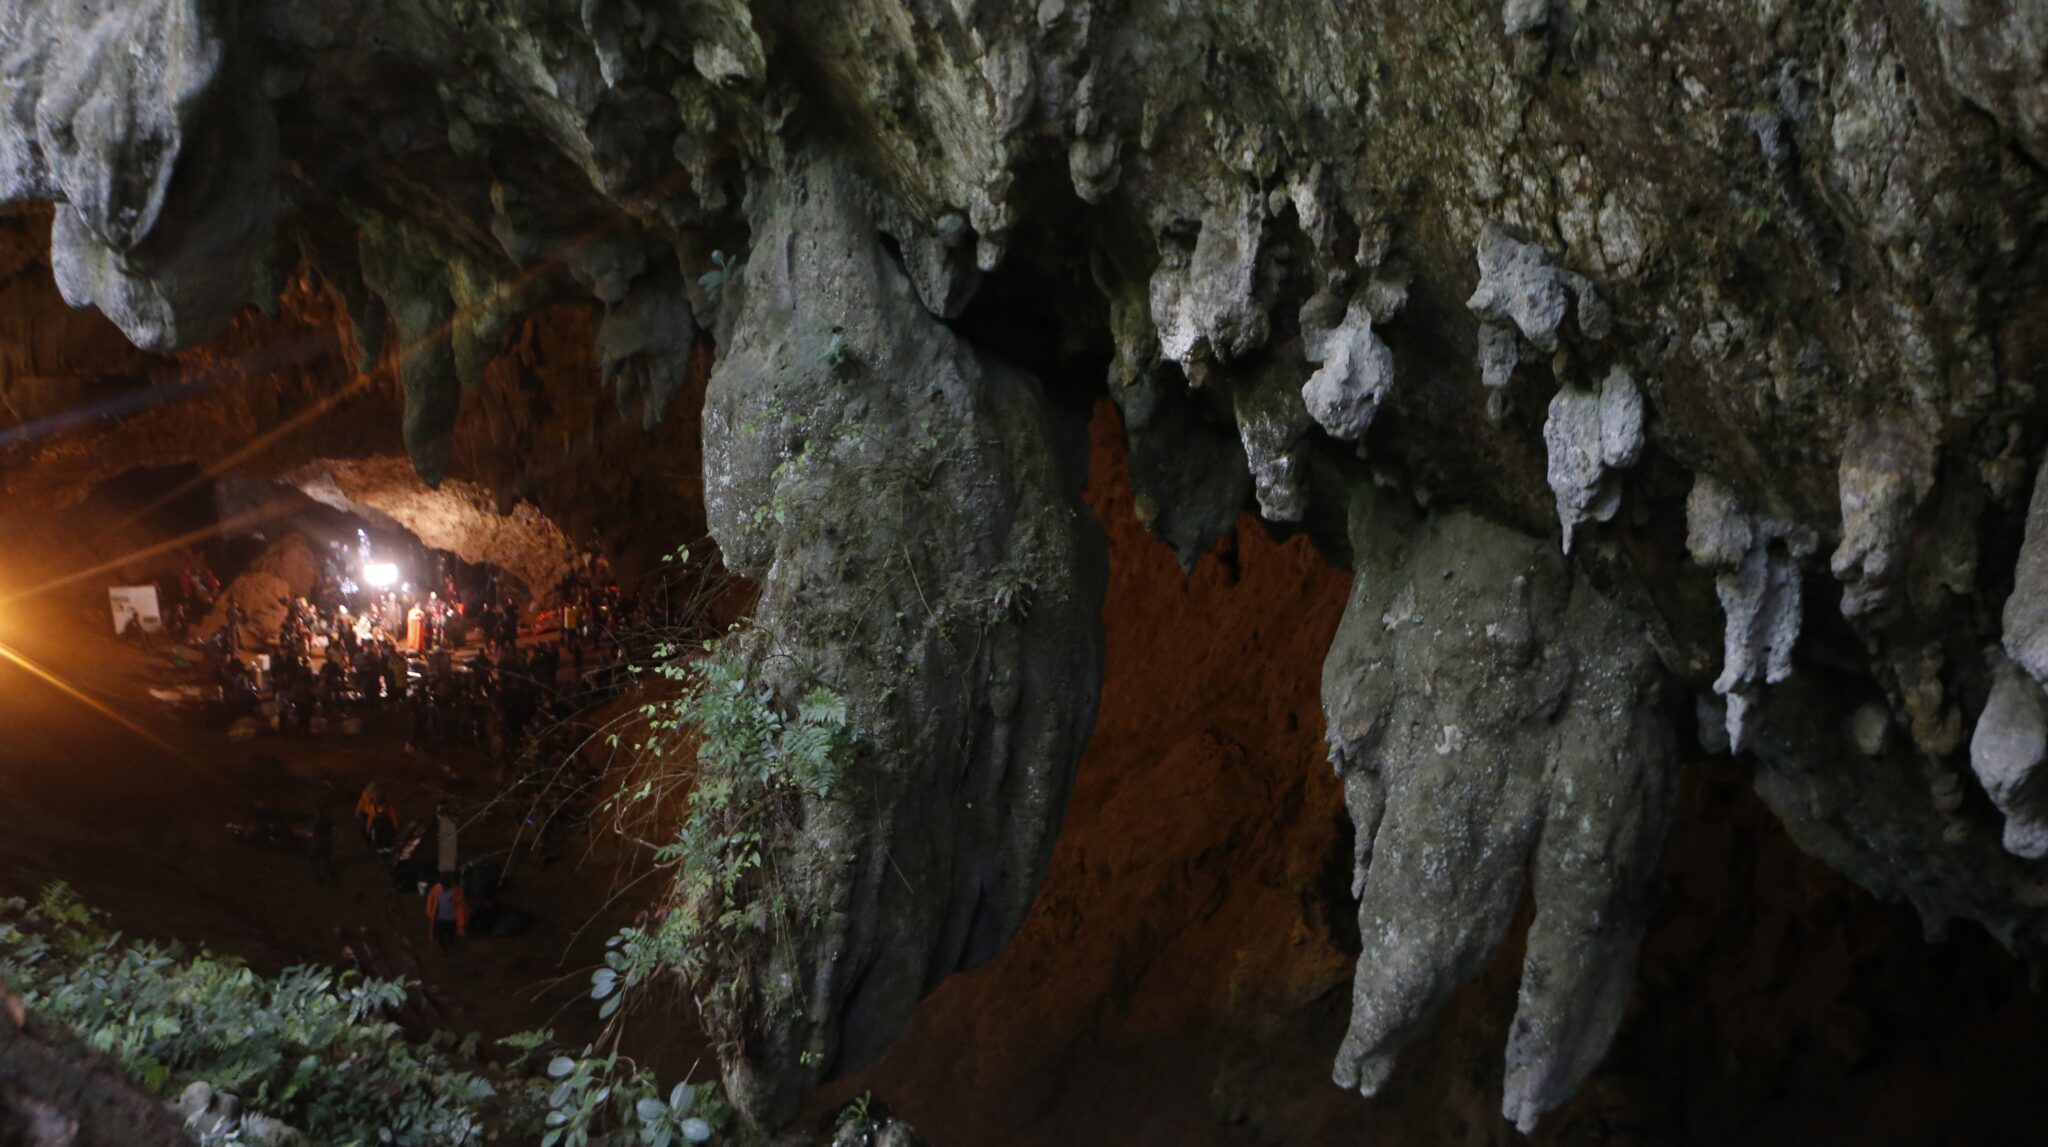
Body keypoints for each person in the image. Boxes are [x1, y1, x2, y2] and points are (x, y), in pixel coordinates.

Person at [425, 873, 468, 951]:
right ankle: (444, 947)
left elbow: (460, 907)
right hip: (441, 918)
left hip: (450, 918)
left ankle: (450, 945)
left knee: (450, 935)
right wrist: (430, 913)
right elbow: (431, 902)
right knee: (441, 935)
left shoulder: (456, 891)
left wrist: (461, 925)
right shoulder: (437, 890)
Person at [308, 806, 335, 885]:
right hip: (326, 844)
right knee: (327, 861)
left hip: (318, 844)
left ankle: (317, 878)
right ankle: (330, 876)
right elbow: (331, 832)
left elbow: (314, 834)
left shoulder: (315, 823)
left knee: (313, 860)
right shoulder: (328, 822)